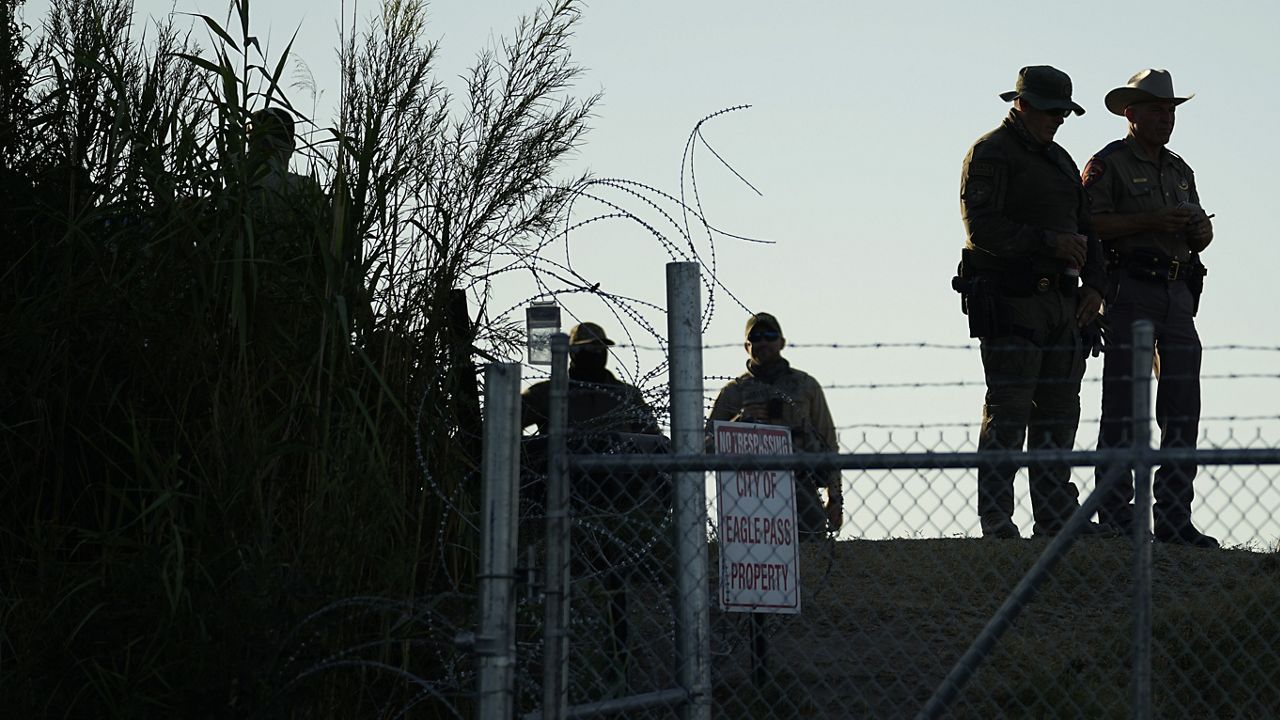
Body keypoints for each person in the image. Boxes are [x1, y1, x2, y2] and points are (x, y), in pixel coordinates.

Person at [955, 66, 1114, 539]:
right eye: (1049, 111)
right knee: (1009, 410)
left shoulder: (1063, 162)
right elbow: (982, 229)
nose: (1057, 120)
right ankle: (998, 518)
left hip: (1064, 306)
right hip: (1012, 301)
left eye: (1063, 112)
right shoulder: (990, 153)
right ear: (1021, 105)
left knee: (1060, 413)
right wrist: (1049, 243)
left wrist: (1096, 288)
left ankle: (1054, 515)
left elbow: (1089, 232)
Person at [1082, 69, 1218, 548]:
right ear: (1130, 113)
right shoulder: (1107, 165)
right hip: (1129, 293)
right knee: (1123, 410)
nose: (1166, 118)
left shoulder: (1181, 170)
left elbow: (1199, 232)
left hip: (1178, 295)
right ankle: (1116, 517)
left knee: (1182, 409)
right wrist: (1150, 219)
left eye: (1171, 111)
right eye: (1157, 110)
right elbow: (1089, 225)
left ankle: (1175, 518)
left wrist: (1200, 232)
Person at [707, 312, 842, 539]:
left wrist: (835, 498)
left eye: (769, 335)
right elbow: (705, 449)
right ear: (746, 345)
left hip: (799, 485)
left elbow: (829, 444)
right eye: (756, 337)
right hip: (747, 491)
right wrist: (740, 421)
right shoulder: (733, 392)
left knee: (814, 553)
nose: (763, 342)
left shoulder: (805, 386)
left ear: (782, 342)